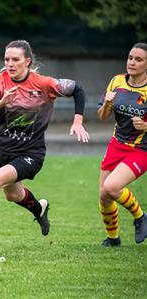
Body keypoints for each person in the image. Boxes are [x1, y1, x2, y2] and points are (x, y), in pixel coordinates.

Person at [0, 40, 90, 248]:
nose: (10, 63)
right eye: (7, 59)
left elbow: (77, 90)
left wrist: (78, 120)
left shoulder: (43, 83)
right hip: (6, 151)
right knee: (13, 195)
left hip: (32, 153)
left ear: (27, 61)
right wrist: (0, 103)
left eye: (15, 59)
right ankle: (39, 209)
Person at [97, 42, 147, 247]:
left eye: (139, 59)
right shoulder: (117, 81)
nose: (132, 62)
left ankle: (140, 217)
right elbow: (102, 117)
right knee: (104, 195)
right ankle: (113, 239)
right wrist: (108, 103)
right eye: (130, 58)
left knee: (111, 187)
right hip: (116, 144)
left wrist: (146, 126)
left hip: (141, 149)